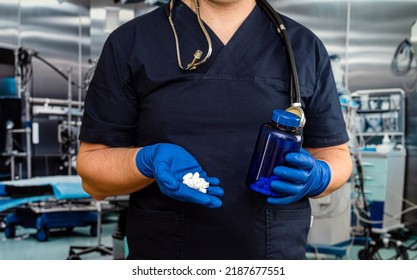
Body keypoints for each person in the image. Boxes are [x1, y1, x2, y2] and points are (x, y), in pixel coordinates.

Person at [76, 0, 352, 260]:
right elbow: (92, 174)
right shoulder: (131, 43)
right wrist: (145, 161)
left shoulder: (303, 47)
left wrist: (320, 175)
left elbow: (336, 154)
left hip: (275, 256)